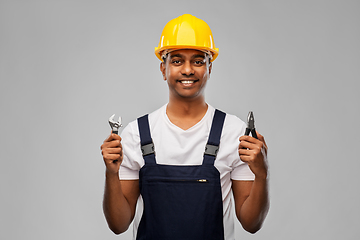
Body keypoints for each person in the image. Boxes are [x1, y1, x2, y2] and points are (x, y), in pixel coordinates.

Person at [101, 14, 269, 240]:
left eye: (198, 61)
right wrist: (111, 174)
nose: (188, 70)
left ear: (210, 68)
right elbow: (118, 225)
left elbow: (251, 223)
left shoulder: (234, 132)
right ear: (163, 69)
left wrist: (261, 174)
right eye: (177, 60)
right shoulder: (136, 134)